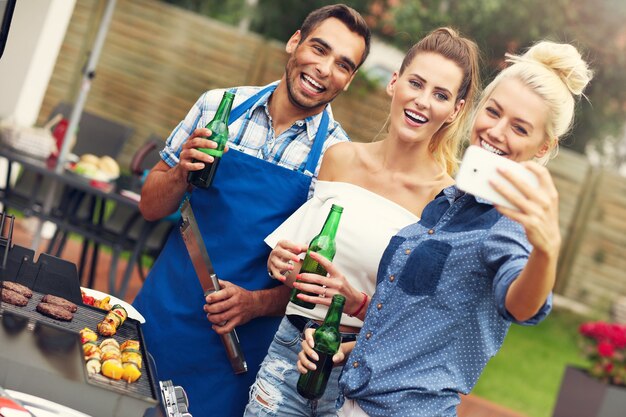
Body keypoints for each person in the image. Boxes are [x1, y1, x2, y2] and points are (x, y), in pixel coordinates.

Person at [297, 40, 593, 417]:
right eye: (493, 112)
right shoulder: (446, 203)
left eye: (519, 128)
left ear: (542, 147)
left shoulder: (510, 224)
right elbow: (416, 322)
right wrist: (349, 351)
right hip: (352, 403)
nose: (497, 132)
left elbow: (521, 306)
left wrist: (547, 251)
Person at [131, 4, 371, 417]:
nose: (325, 69)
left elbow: (318, 283)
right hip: (163, 313)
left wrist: (255, 303)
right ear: (294, 42)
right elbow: (151, 207)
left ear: (348, 80)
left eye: (343, 65)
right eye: (319, 48)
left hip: (239, 350)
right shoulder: (217, 106)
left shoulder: (338, 158)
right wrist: (181, 174)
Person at [243, 28, 481, 417]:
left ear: (455, 110)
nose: (422, 101)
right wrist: (281, 264)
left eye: (440, 95)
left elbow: (417, 326)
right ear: (394, 82)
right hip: (291, 352)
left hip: (365, 380)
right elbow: (302, 267)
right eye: (416, 83)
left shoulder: (446, 204)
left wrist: (353, 305)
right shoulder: (339, 158)